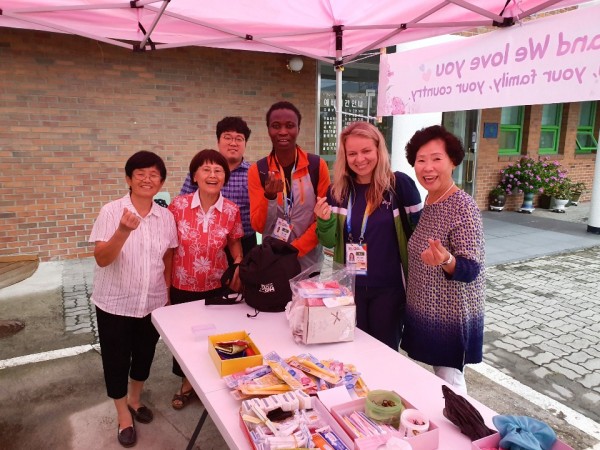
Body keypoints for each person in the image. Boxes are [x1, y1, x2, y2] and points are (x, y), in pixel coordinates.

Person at [89, 151, 178, 448]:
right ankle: (122, 415)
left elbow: (168, 256)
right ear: (128, 179)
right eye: (140, 173)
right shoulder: (111, 211)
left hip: (152, 302)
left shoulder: (166, 217)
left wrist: (166, 293)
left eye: (154, 175)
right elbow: (102, 258)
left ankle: (135, 399)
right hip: (114, 302)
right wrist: (123, 231)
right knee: (116, 360)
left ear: (161, 182)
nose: (147, 179)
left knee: (144, 355)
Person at [313, 121, 422, 350]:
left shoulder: (399, 185)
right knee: (352, 350)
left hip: (389, 289)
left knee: (384, 352)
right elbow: (329, 242)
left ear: (378, 150)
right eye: (352, 153)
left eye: (366, 151)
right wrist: (324, 222)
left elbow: (420, 232)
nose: (359, 159)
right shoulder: (337, 191)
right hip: (349, 288)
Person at [401, 125, 485, 394]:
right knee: (437, 383)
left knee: (451, 386)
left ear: (453, 161)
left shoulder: (463, 206)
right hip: (428, 310)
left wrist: (446, 259)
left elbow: (471, 268)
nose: (428, 168)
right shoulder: (431, 200)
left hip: (451, 317)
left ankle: (463, 420)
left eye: (436, 159)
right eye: (421, 160)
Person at [168, 149, 244, 409]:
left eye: (218, 170)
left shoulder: (231, 210)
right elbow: (168, 249)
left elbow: (234, 243)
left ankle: (210, 384)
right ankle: (186, 384)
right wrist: (166, 286)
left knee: (215, 336)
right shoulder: (178, 206)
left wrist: (238, 264)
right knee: (184, 337)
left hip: (216, 284)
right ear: (195, 176)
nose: (212, 175)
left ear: (225, 177)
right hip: (182, 284)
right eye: (206, 169)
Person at [248, 101, 330, 270]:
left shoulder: (316, 166)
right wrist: (269, 197)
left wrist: (294, 250)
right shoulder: (258, 170)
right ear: (268, 130)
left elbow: (322, 219)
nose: (283, 131)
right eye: (276, 126)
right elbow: (259, 226)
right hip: (273, 261)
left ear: (298, 129)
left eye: (290, 125)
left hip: (309, 262)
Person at [179, 116, 257, 260]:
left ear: (245, 143)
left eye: (239, 139)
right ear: (218, 141)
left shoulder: (254, 174)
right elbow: (183, 206)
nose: (233, 143)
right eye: (228, 137)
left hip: (244, 243)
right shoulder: (201, 171)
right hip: (205, 244)